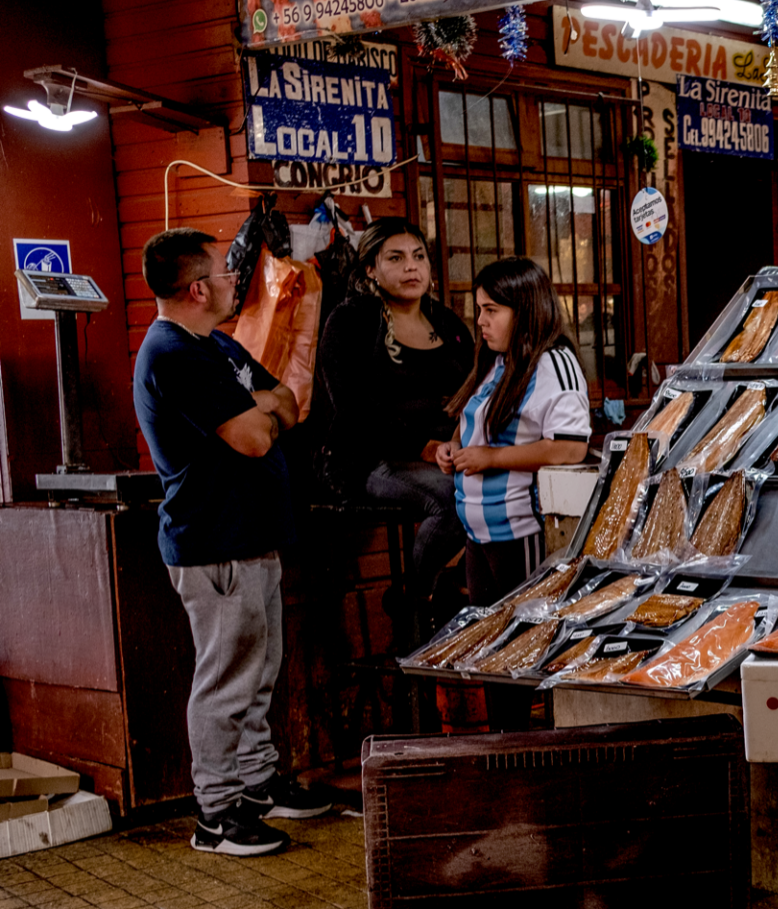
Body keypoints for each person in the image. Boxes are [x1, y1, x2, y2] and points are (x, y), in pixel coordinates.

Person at [132, 228, 338, 856]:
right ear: (197, 288)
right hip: (213, 544)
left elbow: (286, 403)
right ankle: (216, 813)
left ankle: (256, 784)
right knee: (225, 680)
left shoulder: (214, 345)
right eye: (224, 272)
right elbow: (252, 435)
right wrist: (261, 411)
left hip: (252, 537)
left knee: (258, 671)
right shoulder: (174, 354)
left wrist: (261, 408)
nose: (232, 279)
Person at [313, 218, 475, 628]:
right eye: (396, 259)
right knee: (454, 500)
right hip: (370, 457)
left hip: (445, 452)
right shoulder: (350, 322)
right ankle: (416, 598)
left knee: (505, 488)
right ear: (370, 269)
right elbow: (352, 407)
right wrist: (421, 445)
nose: (411, 268)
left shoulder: (446, 323)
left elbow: (478, 387)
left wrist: (458, 440)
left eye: (419, 257)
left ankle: (458, 586)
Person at [437, 255, 591, 624]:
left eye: (491, 309)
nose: (481, 321)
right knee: (489, 645)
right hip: (479, 535)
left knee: (523, 642)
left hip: (523, 534)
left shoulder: (554, 363)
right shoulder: (499, 360)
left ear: (523, 309)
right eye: (479, 309)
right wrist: (454, 446)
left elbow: (571, 447)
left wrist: (490, 458)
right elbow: (476, 417)